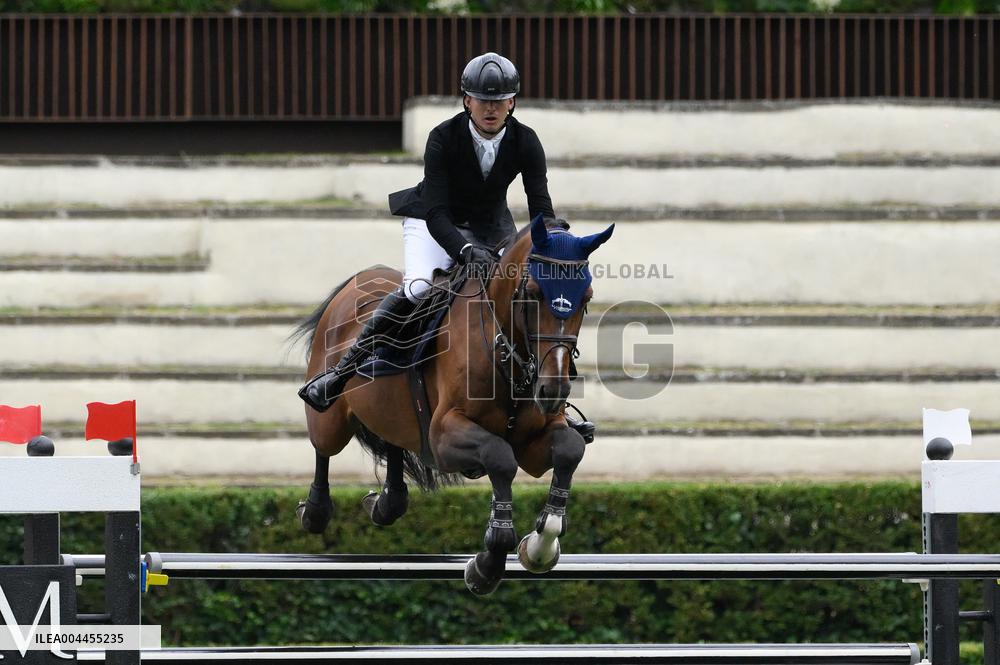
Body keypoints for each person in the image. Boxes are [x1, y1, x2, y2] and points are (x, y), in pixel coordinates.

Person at [298, 52, 594, 443]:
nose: (491, 108)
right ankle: (340, 373)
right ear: (467, 101)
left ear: (512, 102)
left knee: (522, 296)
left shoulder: (526, 140)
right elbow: (437, 211)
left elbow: (540, 206)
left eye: (499, 100)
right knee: (419, 287)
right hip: (433, 222)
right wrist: (463, 250)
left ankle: (555, 404)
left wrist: (553, 235)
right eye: (482, 100)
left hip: (492, 228)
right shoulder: (442, 137)